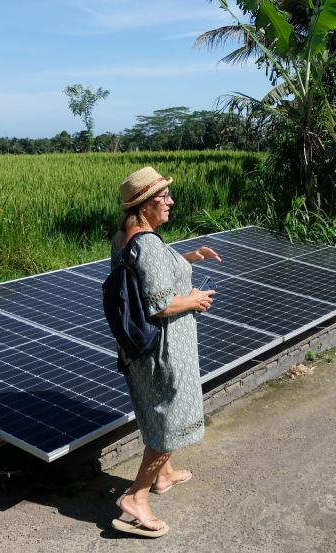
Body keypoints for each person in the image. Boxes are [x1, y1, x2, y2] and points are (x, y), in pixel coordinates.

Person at [110, 166, 221, 538]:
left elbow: (147, 275)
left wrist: (189, 257)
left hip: (141, 350)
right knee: (172, 420)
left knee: (159, 413)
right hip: (166, 350)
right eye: (164, 198)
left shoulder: (125, 238)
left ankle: (165, 475)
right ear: (145, 205)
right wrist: (195, 299)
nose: (171, 202)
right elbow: (159, 305)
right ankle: (136, 496)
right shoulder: (149, 245)